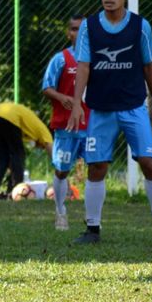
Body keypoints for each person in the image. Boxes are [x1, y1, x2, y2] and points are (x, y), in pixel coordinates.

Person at [67, 0, 152, 245]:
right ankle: (92, 229)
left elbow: (149, 66)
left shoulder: (140, 26)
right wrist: (77, 103)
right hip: (100, 109)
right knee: (97, 167)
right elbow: (83, 66)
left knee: (149, 163)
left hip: (133, 107)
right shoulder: (89, 27)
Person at [42, 15, 90, 230]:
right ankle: (60, 211)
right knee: (62, 170)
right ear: (68, 33)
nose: (78, 33)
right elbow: (47, 87)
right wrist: (64, 98)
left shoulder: (97, 59)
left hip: (92, 125)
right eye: (73, 29)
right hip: (66, 126)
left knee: (97, 168)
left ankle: (93, 217)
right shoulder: (60, 59)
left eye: (82, 29)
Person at [0, 102, 53, 202]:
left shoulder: (31, 130)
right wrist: (61, 172)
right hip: (10, 117)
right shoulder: (45, 132)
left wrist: (12, 165)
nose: (41, 148)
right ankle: (14, 193)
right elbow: (51, 150)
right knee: (18, 155)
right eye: (42, 147)